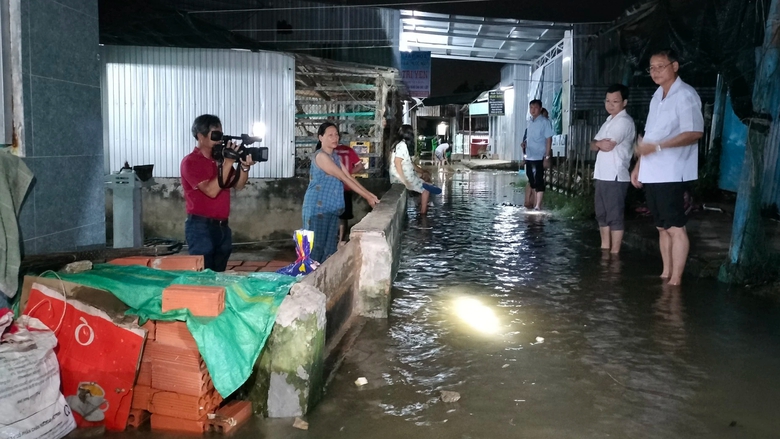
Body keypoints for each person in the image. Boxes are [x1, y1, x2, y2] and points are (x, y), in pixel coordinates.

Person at [631, 49, 703, 286]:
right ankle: (665, 273)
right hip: (653, 170)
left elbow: (694, 133)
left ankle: (676, 280)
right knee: (662, 227)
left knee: (675, 226)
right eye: (651, 68)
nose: (655, 72)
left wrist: (659, 148)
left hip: (672, 169)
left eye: (660, 66)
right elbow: (649, 137)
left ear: (675, 66)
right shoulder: (657, 96)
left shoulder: (685, 95)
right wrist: (639, 166)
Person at [181, 114, 255, 271]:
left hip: (222, 227)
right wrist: (228, 162)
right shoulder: (191, 162)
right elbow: (211, 191)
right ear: (200, 136)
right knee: (203, 275)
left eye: (220, 134)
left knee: (219, 274)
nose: (219, 139)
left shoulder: (221, 161)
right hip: (200, 226)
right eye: (215, 135)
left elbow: (239, 185)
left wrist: (244, 167)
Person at [303, 122, 379, 262]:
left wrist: (370, 195)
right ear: (320, 137)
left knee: (330, 247)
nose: (335, 138)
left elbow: (349, 176)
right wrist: (367, 197)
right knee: (316, 247)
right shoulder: (321, 156)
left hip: (331, 207)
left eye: (336, 134)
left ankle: (323, 279)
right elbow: (343, 177)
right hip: (318, 208)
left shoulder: (335, 157)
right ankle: (308, 279)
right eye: (330, 135)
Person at [590, 84, 636, 254]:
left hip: (615, 175)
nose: (610, 105)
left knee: (614, 216)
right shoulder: (609, 121)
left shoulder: (624, 122)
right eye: (608, 101)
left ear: (624, 102)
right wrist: (598, 144)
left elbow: (607, 146)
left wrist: (599, 144)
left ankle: (614, 253)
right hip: (602, 174)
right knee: (601, 215)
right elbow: (593, 145)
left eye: (615, 101)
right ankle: (605, 248)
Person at [390, 125, 434, 214]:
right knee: (427, 188)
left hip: (406, 174)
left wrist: (423, 171)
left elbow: (410, 163)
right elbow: (397, 162)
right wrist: (404, 180)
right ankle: (423, 213)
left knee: (425, 177)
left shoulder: (398, 144)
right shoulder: (402, 145)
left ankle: (421, 202)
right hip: (403, 177)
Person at [523, 99, 554, 210]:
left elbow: (548, 139)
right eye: (531, 108)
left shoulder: (545, 122)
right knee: (531, 179)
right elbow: (529, 138)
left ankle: (538, 205)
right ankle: (532, 201)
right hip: (530, 155)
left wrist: (547, 156)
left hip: (539, 156)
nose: (533, 110)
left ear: (540, 109)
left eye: (535, 108)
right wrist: (525, 144)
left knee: (539, 179)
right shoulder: (530, 122)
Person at [333, 143, 366, 242]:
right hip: (346, 186)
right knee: (344, 216)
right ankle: (342, 240)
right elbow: (359, 166)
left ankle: (334, 239)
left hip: (332, 188)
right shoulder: (348, 150)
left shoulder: (330, 151)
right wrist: (348, 174)